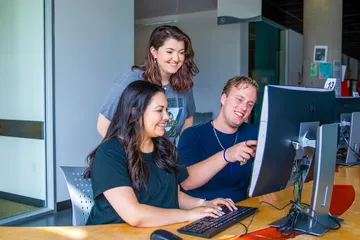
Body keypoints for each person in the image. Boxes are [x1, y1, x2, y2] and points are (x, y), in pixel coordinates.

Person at [85, 81, 237, 226]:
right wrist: (190, 215)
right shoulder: (109, 153)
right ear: (134, 112)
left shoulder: (165, 148)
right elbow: (134, 215)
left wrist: (203, 204)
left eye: (166, 110)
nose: (167, 117)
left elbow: (174, 196)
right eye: (159, 110)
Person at [97, 25, 198, 142]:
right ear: (154, 52)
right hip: (133, 157)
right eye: (169, 51)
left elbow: (187, 120)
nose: (176, 58)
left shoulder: (183, 83)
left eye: (181, 52)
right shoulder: (131, 79)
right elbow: (103, 125)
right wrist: (131, 155)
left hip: (165, 158)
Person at [178, 76, 259, 203]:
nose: (244, 108)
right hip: (202, 212)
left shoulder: (254, 133)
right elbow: (186, 183)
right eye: (239, 99)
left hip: (242, 210)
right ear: (223, 98)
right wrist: (227, 155)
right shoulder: (193, 135)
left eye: (250, 104)